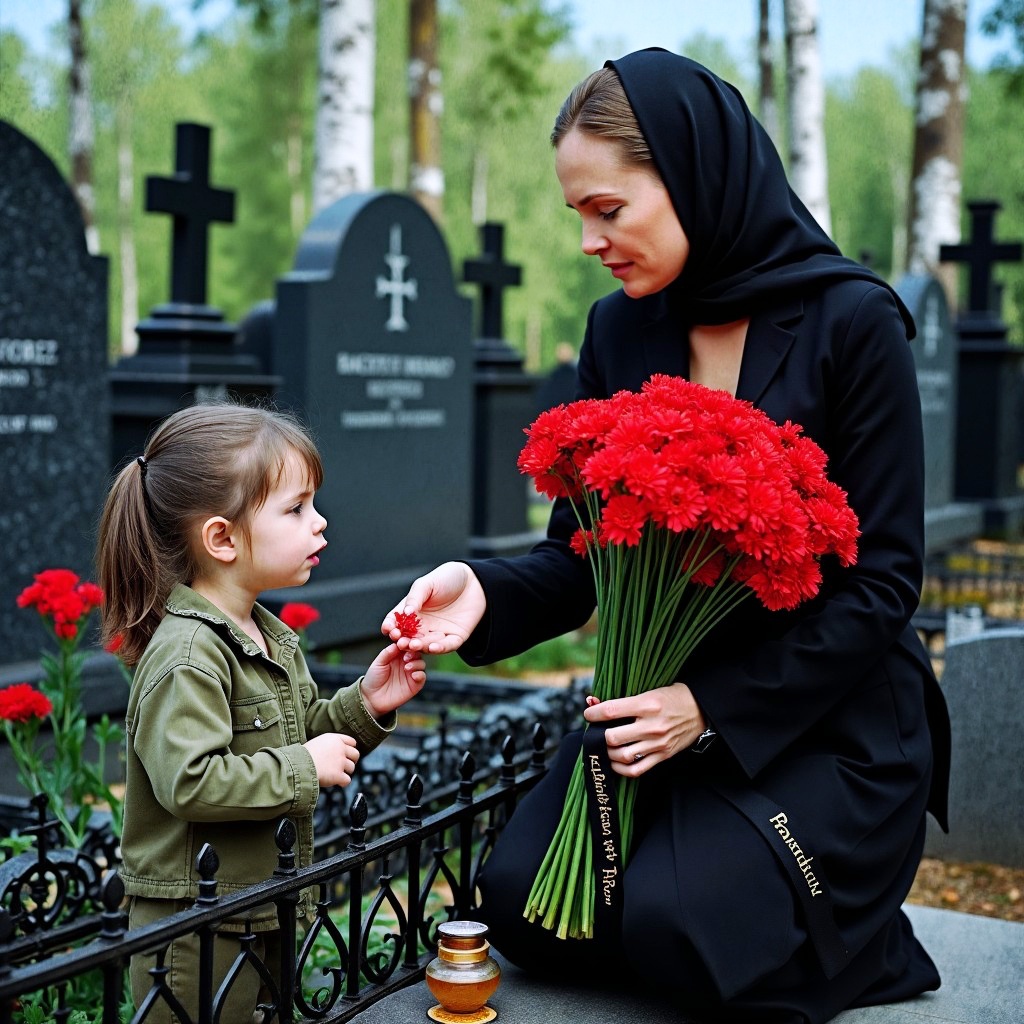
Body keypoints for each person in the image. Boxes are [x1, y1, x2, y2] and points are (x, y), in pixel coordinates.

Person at [383, 48, 951, 1024]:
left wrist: (711, 705)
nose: (591, 240)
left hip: (820, 721)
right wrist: (479, 592)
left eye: (609, 209)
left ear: (693, 173)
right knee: (522, 906)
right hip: (657, 714)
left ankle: (866, 944)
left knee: (670, 923)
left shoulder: (853, 322)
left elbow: (883, 585)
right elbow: (579, 555)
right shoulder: (619, 330)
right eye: (578, 216)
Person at [97, 402, 426, 1023]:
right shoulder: (189, 654)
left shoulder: (265, 636)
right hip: (197, 929)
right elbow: (190, 781)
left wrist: (365, 706)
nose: (320, 523)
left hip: (255, 904)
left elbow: (302, 736)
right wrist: (305, 765)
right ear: (221, 538)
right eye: (296, 508)